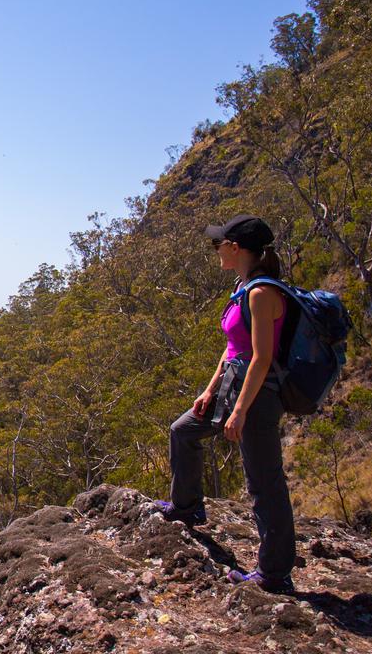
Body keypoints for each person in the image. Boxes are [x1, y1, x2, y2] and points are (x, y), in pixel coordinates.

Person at [155, 214, 296, 594]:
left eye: (218, 244)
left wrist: (239, 411)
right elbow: (233, 348)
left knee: (264, 482)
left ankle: (275, 573)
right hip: (231, 385)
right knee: (183, 430)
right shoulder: (242, 286)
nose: (215, 249)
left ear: (236, 248)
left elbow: (262, 358)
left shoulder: (262, 294)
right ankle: (186, 507)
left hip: (257, 396)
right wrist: (209, 389)